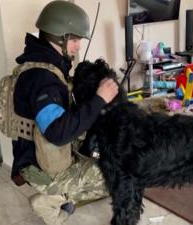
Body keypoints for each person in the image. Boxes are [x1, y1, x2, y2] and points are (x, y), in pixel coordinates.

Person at [10, 1, 118, 224]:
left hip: (39, 154)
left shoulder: (43, 63)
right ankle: (51, 199)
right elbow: (57, 133)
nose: (78, 46)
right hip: (38, 166)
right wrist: (100, 99)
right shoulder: (43, 78)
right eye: (76, 39)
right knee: (114, 174)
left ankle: (61, 194)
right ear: (60, 37)